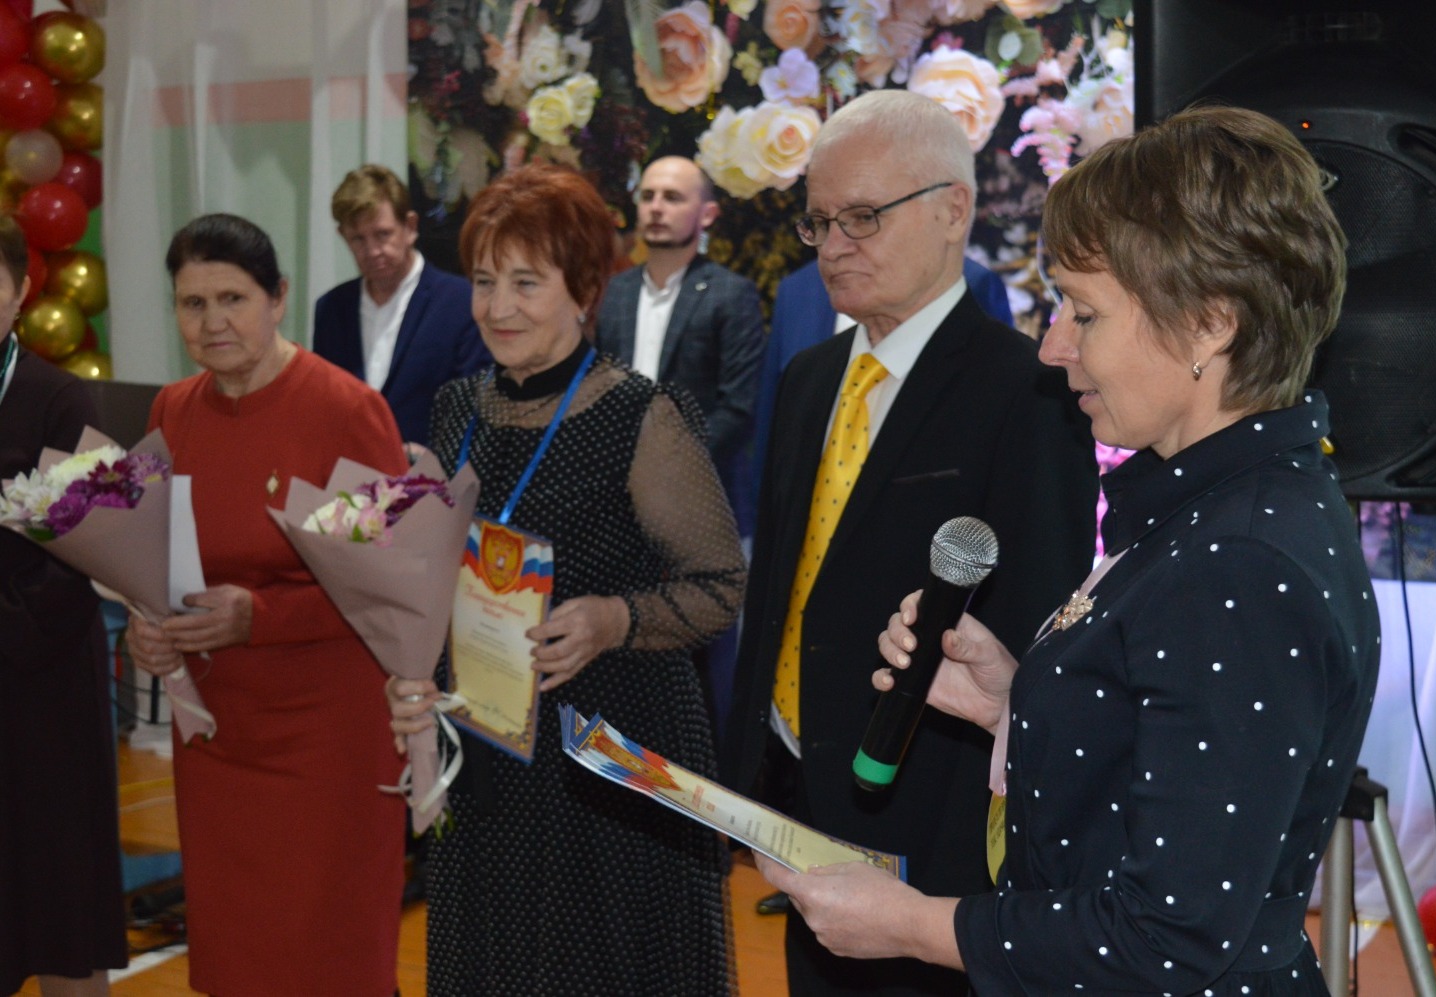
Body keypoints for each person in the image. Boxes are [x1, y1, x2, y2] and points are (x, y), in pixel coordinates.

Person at [758, 105, 1380, 997]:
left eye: (1082, 313)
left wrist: (912, 924)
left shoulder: (1239, 558)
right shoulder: (1213, 509)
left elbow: (1165, 934)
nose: (1053, 348)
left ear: (1209, 323)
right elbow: (1162, 764)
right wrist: (1016, 703)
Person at [723, 89, 1098, 995]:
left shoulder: (1027, 391)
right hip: (799, 793)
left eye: (862, 216)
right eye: (818, 221)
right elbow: (779, 586)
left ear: (952, 210)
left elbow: (1036, 622)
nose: (833, 245)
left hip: (936, 814)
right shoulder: (811, 376)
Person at [387, 162, 746, 995]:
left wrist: (612, 618)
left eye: (526, 282)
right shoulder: (457, 408)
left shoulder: (640, 414)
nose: (497, 307)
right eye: (483, 281)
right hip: (487, 741)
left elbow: (721, 583)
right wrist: (416, 672)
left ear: (584, 289)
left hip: (609, 753)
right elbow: (439, 574)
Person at [125, 213, 407, 996]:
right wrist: (148, 631)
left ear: (278, 297)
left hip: (329, 735)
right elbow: (152, 562)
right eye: (192, 303)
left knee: (330, 955)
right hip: (217, 734)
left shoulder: (348, 410)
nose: (212, 322)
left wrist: (262, 617)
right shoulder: (171, 410)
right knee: (237, 954)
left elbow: (392, 588)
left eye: (233, 298)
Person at [0, 216, 128, 997]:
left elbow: (90, 553)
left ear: (20, 291)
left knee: (61, 907)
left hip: (42, 687)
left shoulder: (58, 397)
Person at [750, 254, 1014, 535]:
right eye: (820, 229)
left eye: (862, 225)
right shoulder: (796, 288)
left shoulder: (972, 282)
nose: (835, 245)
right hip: (803, 533)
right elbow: (771, 424)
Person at [596, 155, 765, 534]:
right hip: (614, 501)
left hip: (703, 500)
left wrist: (665, 465)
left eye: (672, 197)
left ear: (707, 214)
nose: (656, 208)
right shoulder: (615, 291)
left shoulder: (731, 294)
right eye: (648, 196)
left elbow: (738, 408)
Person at [313, 163, 488, 451]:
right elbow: (324, 408)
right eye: (358, 239)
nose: (372, 251)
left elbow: (477, 409)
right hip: (348, 474)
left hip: (435, 473)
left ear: (410, 227)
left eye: (383, 234)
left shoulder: (460, 301)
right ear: (343, 236)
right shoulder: (331, 309)